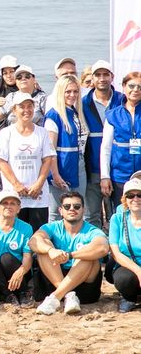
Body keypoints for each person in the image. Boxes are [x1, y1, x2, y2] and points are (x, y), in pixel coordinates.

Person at [30, 191, 109, 315]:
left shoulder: (92, 230)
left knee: (87, 254)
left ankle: (55, 297)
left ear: (83, 209)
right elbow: (33, 242)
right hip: (55, 278)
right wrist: (51, 251)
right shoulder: (52, 227)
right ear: (61, 210)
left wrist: (71, 255)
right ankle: (68, 295)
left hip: (84, 287)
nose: (72, 209)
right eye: (67, 207)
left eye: (77, 206)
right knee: (44, 247)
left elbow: (103, 248)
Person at [0, 93, 56, 232]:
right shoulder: (6, 133)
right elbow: (1, 161)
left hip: (37, 194)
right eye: (22, 107)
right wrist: (17, 185)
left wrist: (38, 184)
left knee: (38, 234)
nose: (26, 110)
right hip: (14, 193)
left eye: (30, 106)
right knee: (15, 232)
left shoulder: (42, 132)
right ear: (14, 110)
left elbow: (47, 160)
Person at [82, 60, 122, 228]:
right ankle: (96, 252)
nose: (102, 78)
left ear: (112, 77)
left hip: (119, 166)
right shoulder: (83, 103)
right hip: (92, 166)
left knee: (118, 213)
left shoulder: (122, 99)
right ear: (92, 78)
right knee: (91, 215)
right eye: (98, 75)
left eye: (106, 74)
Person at [44, 75, 88, 222]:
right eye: (68, 92)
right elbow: (50, 149)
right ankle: (54, 242)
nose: (72, 95)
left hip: (78, 164)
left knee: (77, 207)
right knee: (57, 211)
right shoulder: (54, 115)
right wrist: (55, 175)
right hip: (61, 167)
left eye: (75, 92)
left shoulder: (74, 112)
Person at [101, 71, 141, 213]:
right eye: (131, 86)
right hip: (120, 175)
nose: (135, 90)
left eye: (139, 87)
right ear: (124, 87)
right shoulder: (113, 115)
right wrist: (105, 177)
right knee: (121, 213)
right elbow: (105, 148)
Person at [0, 65, 47, 147]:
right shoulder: (11, 97)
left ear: (33, 79)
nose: (23, 79)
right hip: (13, 142)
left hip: (36, 141)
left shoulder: (42, 98)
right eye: (19, 77)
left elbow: (49, 120)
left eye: (27, 76)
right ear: (16, 81)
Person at [107, 178, 141, 312]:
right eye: (130, 195)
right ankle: (128, 297)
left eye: (140, 195)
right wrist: (138, 271)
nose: (135, 199)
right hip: (127, 265)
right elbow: (115, 252)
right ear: (125, 199)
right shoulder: (117, 219)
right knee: (124, 279)